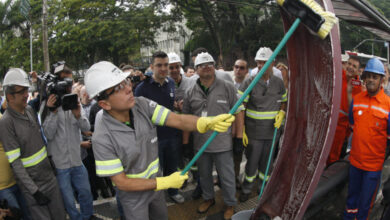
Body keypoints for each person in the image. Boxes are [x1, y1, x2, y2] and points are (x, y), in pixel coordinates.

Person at [84, 61, 235, 220]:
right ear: (104, 103)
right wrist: (164, 182)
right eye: (118, 88)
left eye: (125, 82)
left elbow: (176, 120)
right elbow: (122, 182)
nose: (129, 88)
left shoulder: (141, 105)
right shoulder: (102, 136)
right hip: (133, 196)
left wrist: (205, 122)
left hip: (156, 188)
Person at [182, 52, 244, 220]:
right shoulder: (190, 91)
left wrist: (239, 137)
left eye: (210, 63)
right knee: (204, 175)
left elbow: (239, 111)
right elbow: (186, 119)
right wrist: (186, 143)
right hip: (200, 144)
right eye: (202, 65)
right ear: (195, 70)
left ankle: (230, 203)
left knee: (227, 176)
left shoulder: (227, 87)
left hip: (223, 143)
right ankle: (208, 198)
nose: (206, 67)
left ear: (214, 67)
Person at [0, 68, 66, 220]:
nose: (26, 95)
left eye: (26, 90)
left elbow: (40, 141)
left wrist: (50, 161)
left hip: (49, 177)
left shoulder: (29, 110)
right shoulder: (6, 123)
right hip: (34, 186)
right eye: (22, 91)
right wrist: (34, 191)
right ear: (9, 96)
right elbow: (15, 162)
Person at [42, 65, 96, 220]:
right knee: (68, 199)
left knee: (86, 192)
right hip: (60, 164)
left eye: (69, 80)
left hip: (77, 160)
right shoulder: (46, 105)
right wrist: (52, 112)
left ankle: (87, 216)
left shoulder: (74, 100)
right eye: (64, 79)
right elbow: (47, 134)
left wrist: (78, 115)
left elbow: (86, 129)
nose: (67, 84)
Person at [134, 51, 185, 204]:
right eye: (159, 65)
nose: (163, 68)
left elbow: (169, 107)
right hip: (153, 139)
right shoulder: (142, 88)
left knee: (172, 166)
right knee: (156, 171)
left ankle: (173, 191)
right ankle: (157, 199)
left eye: (166, 65)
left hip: (171, 135)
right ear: (152, 67)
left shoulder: (170, 83)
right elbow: (138, 115)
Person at [238, 47, 287, 202]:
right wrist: (242, 129)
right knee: (251, 163)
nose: (260, 65)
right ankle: (246, 188)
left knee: (267, 164)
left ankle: (263, 188)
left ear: (272, 63)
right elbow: (240, 106)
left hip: (272, 132)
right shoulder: (249, 81)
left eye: (264, 62)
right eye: (258, 62)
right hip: (253, 132)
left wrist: (282, 113)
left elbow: (284, 101)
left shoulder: (278, 82)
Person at [344, 58, 390, 220]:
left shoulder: (388, 105)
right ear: (364, 78)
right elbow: (352, 125)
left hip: (373, 167)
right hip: (355, 163)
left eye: (375, 77)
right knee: (351, 201)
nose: (370, 79)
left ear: (381, 80)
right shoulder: (357, 100)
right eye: (368, 76)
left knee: (365, 204)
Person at [327, 56, 362, 165]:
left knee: (333, 156)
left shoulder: (358, 87)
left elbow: (353, 110)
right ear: (345, 64)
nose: (350, 67)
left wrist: (349, 92)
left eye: (354, 66)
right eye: (349, 64)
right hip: (328, 121)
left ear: (358, 71)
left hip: (341, 127)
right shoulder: (336, 76)